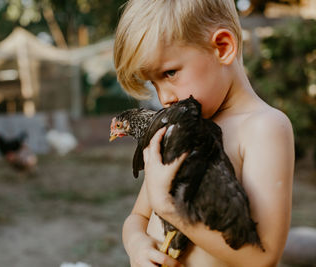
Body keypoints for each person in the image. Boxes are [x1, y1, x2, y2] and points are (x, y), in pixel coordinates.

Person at [113, 0, 295, 266]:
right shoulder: (177, 127)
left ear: (222, 47)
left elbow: (263, 257)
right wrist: (137, 245)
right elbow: (138, 217)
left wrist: (168, 209)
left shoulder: (264, 128)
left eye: (170, 73)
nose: (163, 98)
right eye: (153, 83)